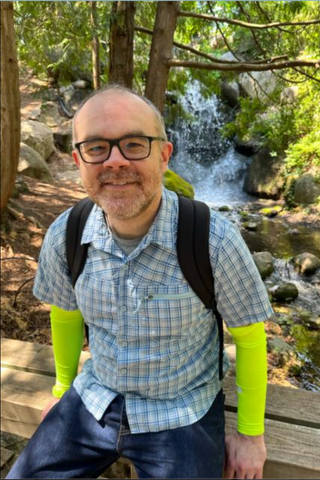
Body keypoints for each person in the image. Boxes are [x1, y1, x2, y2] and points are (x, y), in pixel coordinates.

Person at [7, 85, 273, 479]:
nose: (115, 162)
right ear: (78, 159)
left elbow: (250, 336)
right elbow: (65, 313)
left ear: (164, 155)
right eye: (96, 147)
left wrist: (250, 434)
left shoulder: (213, 240)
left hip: (182, 412)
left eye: (134, 143)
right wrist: (63, 390)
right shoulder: (66, 235)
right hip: (95, 398)